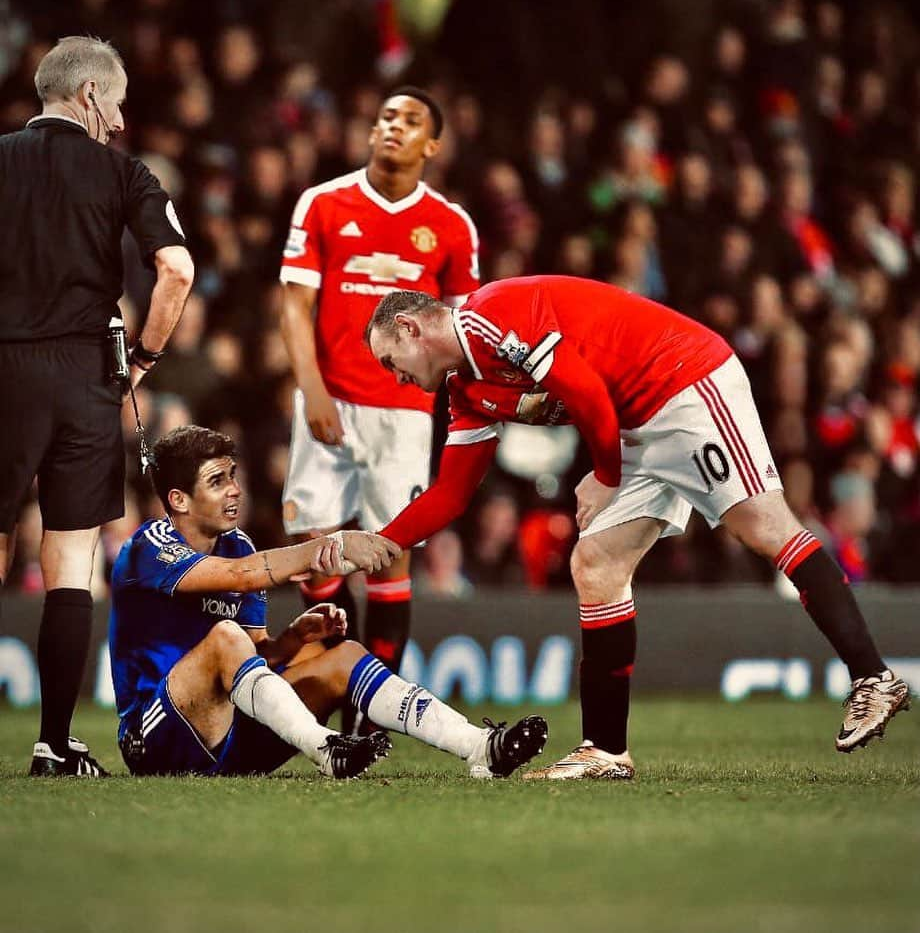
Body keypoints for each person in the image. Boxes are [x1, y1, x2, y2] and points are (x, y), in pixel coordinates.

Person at [364, 277, 910, 780]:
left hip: (684, 379)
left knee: (764, 527)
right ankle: (606, 751)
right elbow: (453, 493)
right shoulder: (468, 390)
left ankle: (873, 677)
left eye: (391, 360)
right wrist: (381, 542)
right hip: (635, 422)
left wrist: (604, 477)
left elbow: (587, 392)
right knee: (597, 564)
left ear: (411, 328)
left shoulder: (489, 319)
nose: (397, 377)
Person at [109, 425, 547, 780]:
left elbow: (255, 656)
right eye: (217, 481)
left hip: (228, 741)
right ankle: (325, 748)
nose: (234, 490)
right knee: (224, 636)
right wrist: (331, 545)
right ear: (178, 500)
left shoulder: (239, 545)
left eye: (233, 476)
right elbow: (238, 581)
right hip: (156, 743)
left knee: (346, 656)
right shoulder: (148, 546)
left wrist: (296, 638)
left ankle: (479, 746)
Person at [0, 36, 195, 777]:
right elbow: (175, 268)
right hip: (86, 376)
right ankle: (54, 742)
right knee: (72, 558)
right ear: (87, 97)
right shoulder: (124, 172)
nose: (117, 122)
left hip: (4, 366)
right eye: (112, 106)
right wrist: (142, 358)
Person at [278, 86, 480, 719]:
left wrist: (457, 403)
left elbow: (465, 322)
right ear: (372, 130)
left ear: (433, 144)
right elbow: (294, 304)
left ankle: (374, 714)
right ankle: (327, 692)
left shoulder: (449, 224)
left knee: (390, 558)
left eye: (412, 119)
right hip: (328, 402)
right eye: (387, 116)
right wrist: (311, 389)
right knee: (320, 560)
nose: (394, 126)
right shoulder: (324, 203)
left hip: (404, 413)